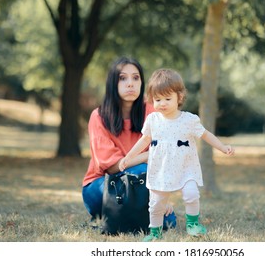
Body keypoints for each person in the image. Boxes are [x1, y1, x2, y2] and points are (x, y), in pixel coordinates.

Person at [119, 68, 235, 241]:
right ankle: (155, 232)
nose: (162, 103)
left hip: (185, 167)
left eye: (168, 98)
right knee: (156, 204)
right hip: (161, 169)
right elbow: (144, 141)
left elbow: (205, 135)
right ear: (152, 99)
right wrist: (128, 157)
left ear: (179, 97)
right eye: (158, 99)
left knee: (191, 193)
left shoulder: (189, 120)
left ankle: (193, 224)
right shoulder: (153, 120)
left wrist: (223, 147)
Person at [82, 57, 176, 233]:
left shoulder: (152, 112)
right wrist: (147, 157)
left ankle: (131, 214)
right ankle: (126, 214)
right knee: (138, 170)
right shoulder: (99, 116)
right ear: (113, 83)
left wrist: (163, 197)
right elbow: (111, 167)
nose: (130, 84)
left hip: (142, 183)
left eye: (135, 78)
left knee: (169, 221)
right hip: (102, 185)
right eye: (123, 78)